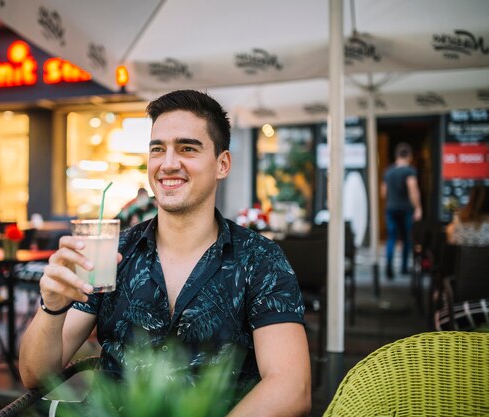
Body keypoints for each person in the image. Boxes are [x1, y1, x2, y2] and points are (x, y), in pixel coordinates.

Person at [20, 90, 311, 416]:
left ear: (222, 164)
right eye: (158, 149)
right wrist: (52, 306)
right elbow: (35, 375)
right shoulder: (112, 254)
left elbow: (291, 387)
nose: (168, 163)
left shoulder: (260, 260)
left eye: (187, 148)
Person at [381, 142, 422, 279]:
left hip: (391, 208)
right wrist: (418, 207)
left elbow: (383, 192)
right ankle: (404, 267)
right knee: (406, 239)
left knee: (391, 238)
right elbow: (413, 190)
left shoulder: (388, 171)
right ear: (408, 156)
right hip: (405, 209)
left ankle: (389, 267)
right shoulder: (409, 171)